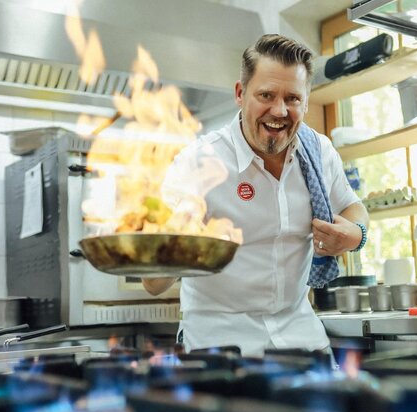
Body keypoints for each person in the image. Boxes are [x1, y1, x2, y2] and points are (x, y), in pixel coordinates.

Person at [143, 34, 369, 356]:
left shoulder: (318, 151)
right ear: (240, 93)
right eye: (266, 95)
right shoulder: (198, 162)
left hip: (302, 341)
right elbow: (151, 284)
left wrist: (355, 234)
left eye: (292, 98)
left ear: (306, 101)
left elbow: (353, 208)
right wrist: (180, 241)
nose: (279, 110)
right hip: (219, 348)